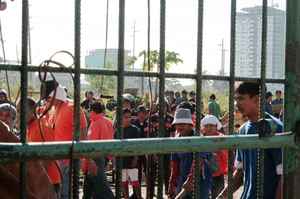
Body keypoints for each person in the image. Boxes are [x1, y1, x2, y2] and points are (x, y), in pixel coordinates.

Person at [217, 82, 283, 199]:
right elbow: (240, 171)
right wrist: (222, 196)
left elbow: (284, 176)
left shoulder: (275, 128)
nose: (237, 104)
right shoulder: (243, 130)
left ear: (257, 99)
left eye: (241, 99)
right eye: (236, 99)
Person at [40, 80, 87, 199]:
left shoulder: (71, 107)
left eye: (49, 98)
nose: (47, 101)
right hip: (56, 159)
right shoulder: (53, 110)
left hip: (69, 158)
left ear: (56, 95)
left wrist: (82, 155)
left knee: (66, 192)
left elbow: (83, 131)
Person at [18, 97, 62, 197]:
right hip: (41, 179)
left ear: (32, 110)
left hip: (48, 180)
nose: (19, 114)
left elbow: (48, 155)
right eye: (18, 111)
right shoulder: (30, 127)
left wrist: (34, 178)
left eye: (22, 110)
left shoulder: (41, 126)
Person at [168, 108, 214, 199]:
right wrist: (172, 183)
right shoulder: (176, 140)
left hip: (200, 182)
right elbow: (175, 165)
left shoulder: (199, 139)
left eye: (183, 124)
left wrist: (189, 181)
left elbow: (198, 163)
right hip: (182, 180)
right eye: (178, 124)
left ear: (190, 125)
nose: (180, 126)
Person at [82, 100, 114, 199]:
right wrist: (109, 158)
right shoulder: (105, 121)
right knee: (90, 189)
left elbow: (100, 142)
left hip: (95, 158)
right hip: (98, 157)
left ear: (92, 111)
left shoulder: (96, 123)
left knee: (101, 189)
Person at [201, 115, 228, 199]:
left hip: (218, 174)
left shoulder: (221, 139)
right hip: (203, 174)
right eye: (206, 126)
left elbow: (227, 155)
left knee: (218, 195)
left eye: (211, 126)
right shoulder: (200, 139)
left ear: (216, 126)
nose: (209, 128)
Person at [120, 108, 142, 199]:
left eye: (129, 117)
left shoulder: (135, 130)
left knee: (135, 182)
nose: (128, 119)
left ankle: (139, 197)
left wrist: (135, 158)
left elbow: (137, 146)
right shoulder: (118, 130)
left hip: (132, 160)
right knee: (123, 182)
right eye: (125, 117)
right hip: (121, 160)